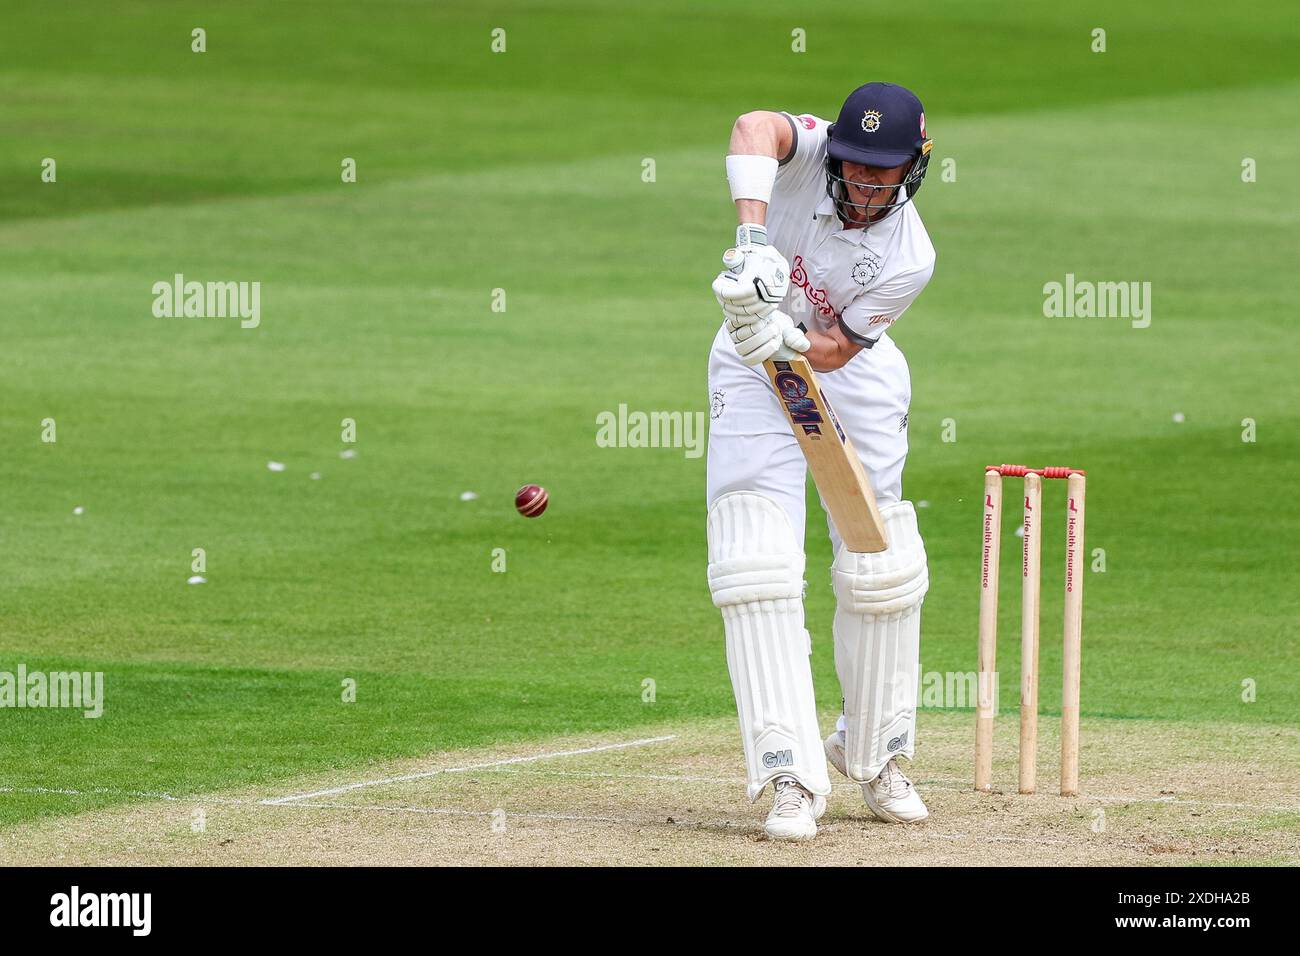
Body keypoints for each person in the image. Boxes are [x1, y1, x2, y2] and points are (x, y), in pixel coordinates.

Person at [706, 82, 936, 841]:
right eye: (855, 164)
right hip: (747, 361)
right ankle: (788, 775)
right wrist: (750, 244)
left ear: (914, 167)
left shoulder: (910, 256)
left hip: (845, 370)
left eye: (883, 171)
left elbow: (838, 350)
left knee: (881, 561)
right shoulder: (809, 153)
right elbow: (750, 126)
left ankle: (876, 754)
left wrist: (795, 342)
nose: (865, 182)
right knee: (755, 560)